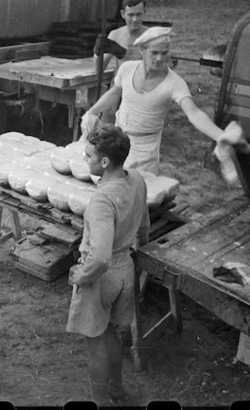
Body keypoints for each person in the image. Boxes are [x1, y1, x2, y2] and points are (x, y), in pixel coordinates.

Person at [66, 125, 150, 406]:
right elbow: (144, 228)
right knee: (112, 333)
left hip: (103, 276)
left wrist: (82, 275)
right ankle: (117, 389)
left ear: (104, 162)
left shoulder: (103, 198)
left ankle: (100, 401)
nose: (85, 160)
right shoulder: (136, 178)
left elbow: (99, 257)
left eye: (89, 155)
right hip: (125, 268)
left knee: (96, 343)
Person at [81, 27, 226, 174]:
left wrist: (220, 136)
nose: (159, 58)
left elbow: (194, 113)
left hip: (145, 152)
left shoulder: (174, 83)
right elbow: (114, 93)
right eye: (154, 53)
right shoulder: (127, 68)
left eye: (164, 53)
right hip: (118, 142)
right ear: (142, 50)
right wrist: (92, 113)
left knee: (140, 190)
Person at [92, 0, 149, 125]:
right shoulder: (115, 35)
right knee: (107, 131)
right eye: (130, 15)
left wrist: (128, 54)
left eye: (139, 14)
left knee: (134, 131)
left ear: (144, 13)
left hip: (141, 91)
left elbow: (165, 67)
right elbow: (99, 71)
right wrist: (97, 53)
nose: (135, 19)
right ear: (123, 14)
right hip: (118, 90)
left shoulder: (150, 36)